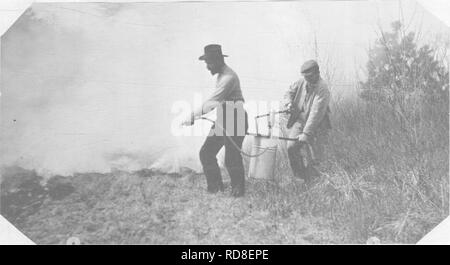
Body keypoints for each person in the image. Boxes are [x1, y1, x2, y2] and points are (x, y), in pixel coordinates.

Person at [181, 44, 248, 197]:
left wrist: (192, 116)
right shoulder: (221, 75)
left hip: (236, 118)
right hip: (225, 118)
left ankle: (238, 191)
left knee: (232, 157)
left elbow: (212, 102)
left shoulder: (228, 78)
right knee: (206, 153)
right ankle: (215, 188)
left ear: (218, 61)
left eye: (209, 63)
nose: (207, 67)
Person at [283, 60, 331, 184]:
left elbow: (315, 114)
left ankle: (316, 182)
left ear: (317, 73)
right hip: (300, 120)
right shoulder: (302, 81)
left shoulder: (323, 89)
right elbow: (289, 91)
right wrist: (288, 104)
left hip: (318, 124)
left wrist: (305, 134)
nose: (307, 79)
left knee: (316, 156)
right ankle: (300, 178)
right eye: (305, 76)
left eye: (310, 76)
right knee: (291, 147)